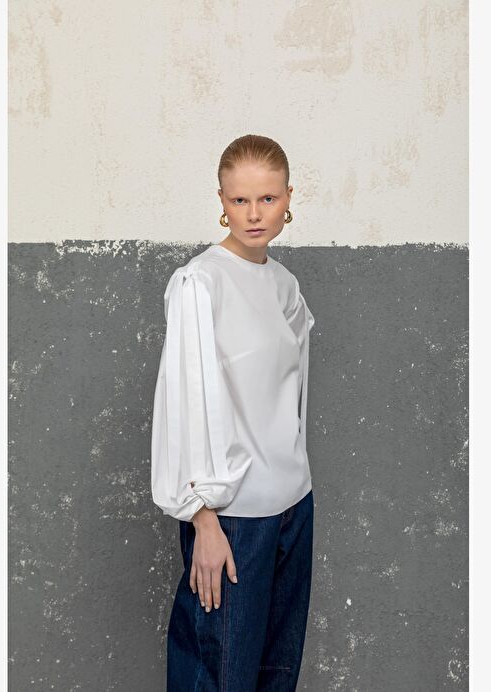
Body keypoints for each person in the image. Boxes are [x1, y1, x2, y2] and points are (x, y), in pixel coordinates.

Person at [151, 134, 316, 691]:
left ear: (288, 198)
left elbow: (290, 397)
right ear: (221, 200)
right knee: (219, 676)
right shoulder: (200, 282)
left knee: (276, 675)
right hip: (233, 518)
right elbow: (184, 401)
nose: (253, 214)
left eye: (267, 198)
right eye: (239, 200)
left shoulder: (285, 286)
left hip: (293, 505)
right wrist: (202, 519)